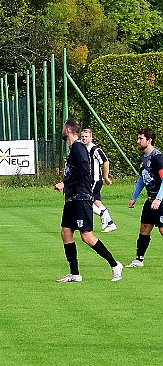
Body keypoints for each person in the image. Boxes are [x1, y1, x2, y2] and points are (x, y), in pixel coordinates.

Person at [54, 119, 122, 282]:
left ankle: (114, 265)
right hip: (71, 198)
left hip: (81, 198)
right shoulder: (72, 149)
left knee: (87, 236)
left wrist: (65, 183)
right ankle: (75, 274)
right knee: (66, 232)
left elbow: (85, 170)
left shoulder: (78, 147)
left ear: (68, 129)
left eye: (64, 127)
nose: (62, 130)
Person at [126, 128, 163, 267]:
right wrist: (134, 197)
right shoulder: (143, 158)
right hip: (150, 200)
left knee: (162, 229)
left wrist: (158, 199)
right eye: (138, 138)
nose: (138, 141)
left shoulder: (158, 158)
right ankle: (139, 259)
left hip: (161, 200)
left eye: (141, 138)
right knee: (144, 228)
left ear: (149, 140)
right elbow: (142, 178)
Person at [81, 128, 117, 232]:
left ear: (91, 137)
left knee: (86, 200)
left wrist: (106, 177)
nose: (84, 138)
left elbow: (105, 162)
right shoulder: (83, 148)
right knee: (96, 202)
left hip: (95, 180)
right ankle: (110, 224)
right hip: (89, 181)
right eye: (82, 136)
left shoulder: (95, 149)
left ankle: (103, 214)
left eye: (86, 136)